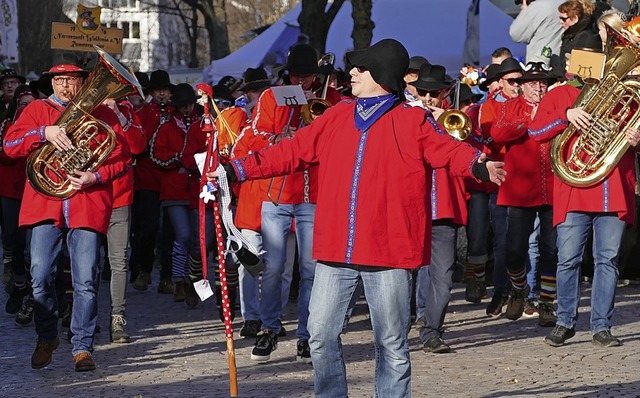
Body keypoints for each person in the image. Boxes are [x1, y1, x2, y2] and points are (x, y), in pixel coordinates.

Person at [209, 38, 506, 397]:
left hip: (389, 251)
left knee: (391, 345)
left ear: (380, 75)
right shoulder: (335, 115)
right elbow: (290, 152)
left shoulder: (414, 121)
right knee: (319, 336)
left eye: (361, 68)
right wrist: (236, 169)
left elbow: (448, 150)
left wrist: (478, 164)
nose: (351, 72)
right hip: (336, 249)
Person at [3, 53, 130, 371]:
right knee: (40, 276)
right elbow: (9, 145)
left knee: (86, 280)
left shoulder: (103, 114)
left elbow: (123, 155)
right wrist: (42, 133)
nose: (64, 85)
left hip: (87, 204)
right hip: (45, 204)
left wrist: (95, 176)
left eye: (71, 79)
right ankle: (47, 336)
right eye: (58, 80)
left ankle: (82, 347)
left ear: (83, 82)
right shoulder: (37, 110)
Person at [529, 22, 636, 347]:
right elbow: (535, 133)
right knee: (568, 259)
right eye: (581, 58)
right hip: (573, 191)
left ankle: (601, 326)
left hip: (612, 190)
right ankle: (564, 322)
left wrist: (637, 138)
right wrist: (566, 115)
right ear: (569, 62)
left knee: (607, 261)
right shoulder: (559, 95)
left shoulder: (621, 93)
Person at [241, 43, 341, 364]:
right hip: (277, 192)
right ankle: (269, 329)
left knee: (310, 270)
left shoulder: (330, 97)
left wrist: (318, 113)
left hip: (312, 195)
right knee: (272, 268)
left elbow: (340, 138)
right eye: (298, 75)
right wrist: (278, 138)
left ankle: (306, 336)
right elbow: (254, 133)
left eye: (309, 76)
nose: (303, 81)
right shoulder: (272, 97)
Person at [490, 62, 558, 328]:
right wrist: (529, 120)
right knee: (514, 251)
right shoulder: (511, 107)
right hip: (520, 190)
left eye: (542, 83)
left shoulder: (556, 105)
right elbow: (497, 133)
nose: (538, 88)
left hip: (552, 188)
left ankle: (547, 303)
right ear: (523, 86)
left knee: (551, 250)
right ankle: (519, 288)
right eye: (532, 83)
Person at [130, 69, 175, 293]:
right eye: (159, 90)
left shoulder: (176, 112)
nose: (162, 94)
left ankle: (167, 275)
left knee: (170, 230)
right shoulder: (144, 113)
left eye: (165, 90)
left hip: (171, 180)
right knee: (147, 228)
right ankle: (144, 269)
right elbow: (138, 143)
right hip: (148, 179)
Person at [1, 85, 35, 320]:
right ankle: (19, 285)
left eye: (30, 103)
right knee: (13, 238)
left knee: (32, 247)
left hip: (34, 191)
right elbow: (5, 154)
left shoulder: (42, 125)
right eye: (22, 103)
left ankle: (30, 294)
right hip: (11, 190)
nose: (26, 108)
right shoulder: (7, 124)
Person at [510, 0, 564, 65]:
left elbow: (516, 34)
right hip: (562, 60)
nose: (521, 6)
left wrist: (525, 13)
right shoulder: (565, 3)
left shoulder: (538, 6)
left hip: (540, 64)